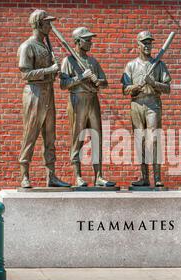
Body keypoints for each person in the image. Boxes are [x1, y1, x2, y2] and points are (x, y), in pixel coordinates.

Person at [17, 9, 70, 188]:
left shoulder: (45, 46)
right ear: (39, 24)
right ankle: (25, 175)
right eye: (47, 23)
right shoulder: (28, 46)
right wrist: (50, 70)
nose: (50, 26)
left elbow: (49, 73)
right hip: (34, 94)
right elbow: (25, 74)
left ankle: (51, 175)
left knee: (50, 136)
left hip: (48, 92)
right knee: (30, 135)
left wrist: (55, 72)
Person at [60, 27, 116, 187]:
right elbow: (63, 84)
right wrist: (80, 77)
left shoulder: (92, 61)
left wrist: (98, 81)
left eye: (91, 39)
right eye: (87, 39)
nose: (91, 42)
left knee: (97, 137)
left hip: (93, 100)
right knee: (78, 138)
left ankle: (99, 176)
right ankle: (78, 176)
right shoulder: (68, 61)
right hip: (77, 99)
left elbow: (104, 82)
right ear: (77, 41)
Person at [121, 31, 171, 188]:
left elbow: (167, 88)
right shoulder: (131, 65)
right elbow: (125, 89)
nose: (147, 46)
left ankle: (157, 177)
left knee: (154, 139)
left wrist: (153, 83)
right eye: (144, 43)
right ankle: (144, 177)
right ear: (138, 45)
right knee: (140, 140)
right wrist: (135, 87)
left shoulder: (159, 64)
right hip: (136, 103)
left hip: (152, 103)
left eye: (150, 43)